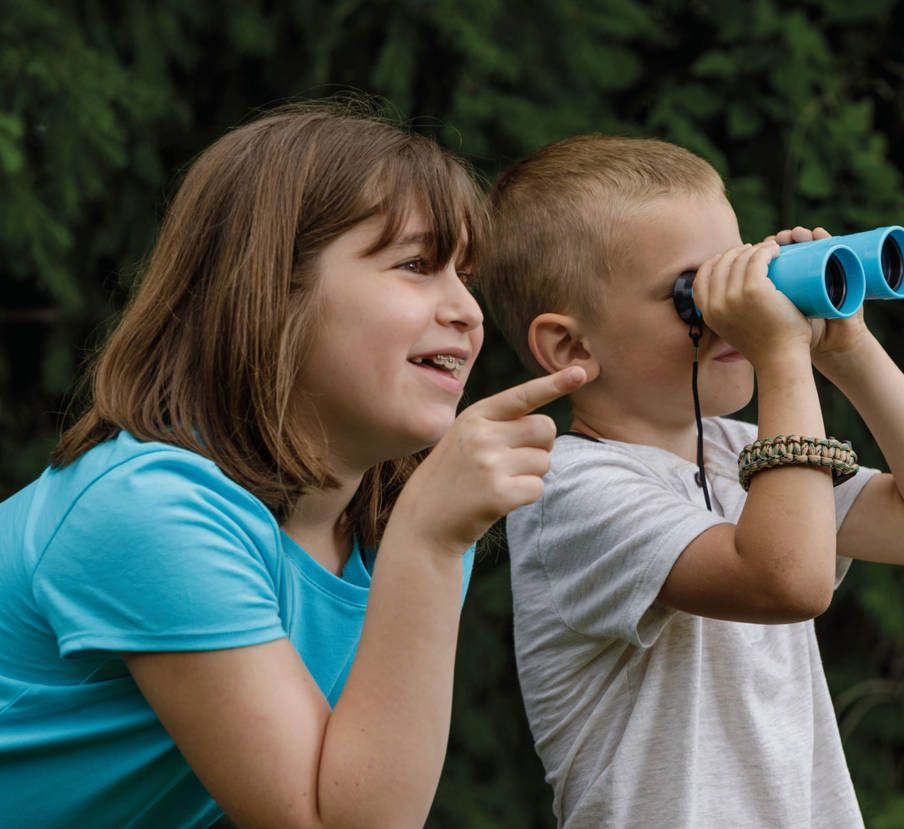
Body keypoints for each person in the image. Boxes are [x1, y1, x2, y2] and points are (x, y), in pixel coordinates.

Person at [0, 102, 586, 829]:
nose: (468, 310)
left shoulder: (399, 524)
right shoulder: (149, 509)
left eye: (465, 274)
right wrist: (430, 544)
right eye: (416, 264)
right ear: (273, 288)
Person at [479, 134, 904, 829]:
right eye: (693, 291)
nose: (736, 307)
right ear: (572, 347)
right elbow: (788, 579)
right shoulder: (570, 492)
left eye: (739, 270)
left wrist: (847, 350)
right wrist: (784, 357)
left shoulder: (744, 453)